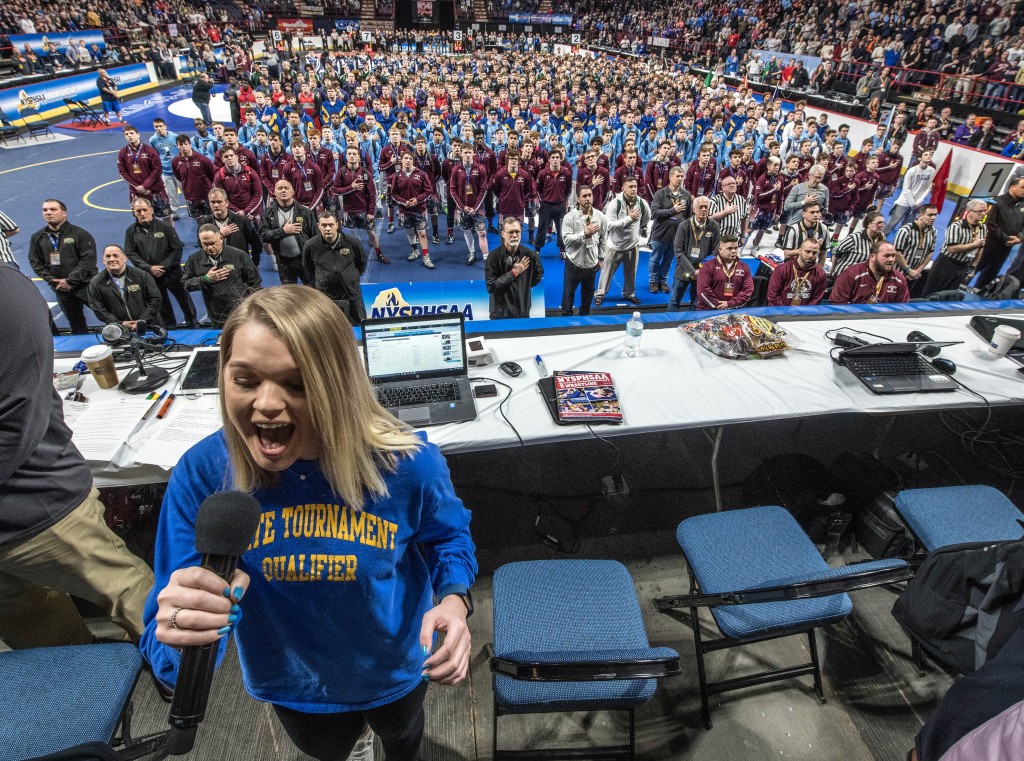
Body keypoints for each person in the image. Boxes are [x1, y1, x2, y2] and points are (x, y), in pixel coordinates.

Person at [139, 285, 475, 761]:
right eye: (246, 380)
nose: (267, 405)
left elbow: (447, 537)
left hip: (396, 668)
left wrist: (456, 600)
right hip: (296, 683)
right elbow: (171, 646)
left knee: (403, 741)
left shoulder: (408, 462)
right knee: (332, 752)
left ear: (338, 386)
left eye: (296, 384)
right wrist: (181, 634)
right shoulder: (203, 474)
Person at [0, 266, 154, 649]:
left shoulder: (6, 296)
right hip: (30, 507)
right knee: (38, 634)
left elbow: (14, 424)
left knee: (129, 595)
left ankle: (177, 674)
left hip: (41, 506)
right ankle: (87, 691)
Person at [27, 199, 98, 335]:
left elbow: (88, 260)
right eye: (45, 210)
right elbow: (35, 262)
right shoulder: (37, 237)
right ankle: (80, 349)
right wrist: (52, 280)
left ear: (64, 213)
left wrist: (70, 280)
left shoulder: (79, 234)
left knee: (105, 314)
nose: (48, 213)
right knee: (75, 323)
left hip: (85, 285)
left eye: (53, 209)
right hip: (61, 289)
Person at [124, 197, 195, 329]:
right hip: (150, 276)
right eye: (138, 211)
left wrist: (163, 266)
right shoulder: (131, 232)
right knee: (161, 303)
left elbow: (177, 248)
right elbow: (130, 253)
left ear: (151, 210)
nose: (142, 213)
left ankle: (193, 324)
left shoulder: (165, 227)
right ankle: (170, 327)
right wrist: (149, 268)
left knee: (184, 299)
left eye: (144, 210)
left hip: (172, 273)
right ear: (134, 212)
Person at [184, 224, 263, 327]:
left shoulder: (239, 255)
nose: (209, 247)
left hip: (241, 314)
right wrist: (205, 279)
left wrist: (255, 309)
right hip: (216, 317)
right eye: (205, 244)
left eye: (212, 243)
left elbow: (255, 284)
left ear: (221, 238)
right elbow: (185, 284)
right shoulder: (194, 260)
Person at [303, 210, 368, 325]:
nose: (327, 228)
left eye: (331, 225)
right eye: (324, 225)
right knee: (328, 328)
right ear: (319, 226)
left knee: (361, 325)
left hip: (352, 294)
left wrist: (351, 279)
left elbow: (361, 263)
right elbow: (308, 269)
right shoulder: (310, 246)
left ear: (337, 225)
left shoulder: (352, 243)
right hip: (326, 297)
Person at [594, 176, 651, 307]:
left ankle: (629, 294)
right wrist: (629, 219)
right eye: (630, 187)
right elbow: (609, 225)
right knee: (607, 272)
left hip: (632, 245)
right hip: (615, 245)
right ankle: (600, 294)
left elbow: (646, 218)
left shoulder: (642, 203)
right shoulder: (615, 203)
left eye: (635, 186)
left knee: (631, 273)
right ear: (623, 188)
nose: (633, 189)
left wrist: (638, 229)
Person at [88, 244, 163, 328]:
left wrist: (142, 320)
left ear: (124, 258)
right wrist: (120, 323)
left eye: (115, 256)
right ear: (103, 260)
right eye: (108, 256)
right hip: (119, 330)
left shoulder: (142, 276)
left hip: (150, 326)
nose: (112, 259)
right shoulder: (96, 283)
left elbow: (155, 299)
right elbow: (98, 308)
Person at [923, 201, 988, 296]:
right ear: (969, 212)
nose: (983, 214)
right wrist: (974, 245)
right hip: (946, 264)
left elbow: (980, 249)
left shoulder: (983, 228)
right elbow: (951, 249)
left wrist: (973, 267)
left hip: (964, 266)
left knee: (950, 294)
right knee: (933, 292)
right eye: (980, 211)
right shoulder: (956, 226)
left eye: (985, 211)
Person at [561, 186, 607, 316]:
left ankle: (585, 317)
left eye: (589, 195)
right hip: (574, 262)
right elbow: (566, 240)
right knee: (568, 293)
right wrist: (584, 234)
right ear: (578, 199)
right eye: (584, 196)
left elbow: (604, 239)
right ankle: (566, 316)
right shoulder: (569, 217)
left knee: (587, 296)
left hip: (591, 264)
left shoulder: (600, 216)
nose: (587, 199)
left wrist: (601, 257)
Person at [484, 217, 543, 319]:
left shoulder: (530, 255)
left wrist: (524, 285)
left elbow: (539, 274)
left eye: (517, 232)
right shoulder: (493, 257)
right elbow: (491, 287)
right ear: (503, 234)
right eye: (511, 232)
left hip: (522, 311)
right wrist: (514, 273)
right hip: (499, 314)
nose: (515, 235)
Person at [260, 180, 317, 285]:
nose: (283, 191)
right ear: (274, 192)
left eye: (286, 188)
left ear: (292, 192)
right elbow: (263, 236)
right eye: (280, 188)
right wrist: (283, 231)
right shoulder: (268, 213)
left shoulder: (305, 212)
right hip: (283, 261)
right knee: (289, 294)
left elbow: (315, 237)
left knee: (312, 289)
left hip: (304, 259)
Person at [668, 196, 717, 311]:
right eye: (701, 207)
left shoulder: (714, 226)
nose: (704, 209)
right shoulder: (684, 226)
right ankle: (668, 324)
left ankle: (691, 325)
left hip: (703, 272)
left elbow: (715, 251)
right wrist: (692, 271)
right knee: (674, 301)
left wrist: (702, 270)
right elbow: (678, 251)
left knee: (696, 303)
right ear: (694, 209)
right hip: (683, 270)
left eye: (706, 207)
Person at [974, 177, 1024, 290]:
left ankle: (979, 293)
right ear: (1012, 187)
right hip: (989, 245)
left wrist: (1020, 238)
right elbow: (990, 224)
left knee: (991, 274)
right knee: (974, 269)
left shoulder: (1022, 204)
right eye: (1022, 188)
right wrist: (1005, 238)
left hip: (1006, 248)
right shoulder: (997, 202)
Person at [649, 166, 692, 292]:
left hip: (676, 235)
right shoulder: (660, 193)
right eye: (677, 176)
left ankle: (662, 281)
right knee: (655, 259)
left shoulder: (686, 195)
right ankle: (653, 281)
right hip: (660, 233)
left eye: (681, 176)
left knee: (668, 260)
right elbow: (655, 213)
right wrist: (673, 210)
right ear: (670, 177)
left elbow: (688, 217)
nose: (680, 179)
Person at [117, 126, 172, 222]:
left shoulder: (150, 150)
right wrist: (138, 187)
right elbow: (122, 172)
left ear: (138, 134)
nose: (129, 136)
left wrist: (145, 186)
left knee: (166, 216)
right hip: (137, 192)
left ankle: (171, 235)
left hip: (155, 190)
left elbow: (157, 170)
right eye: (126, 134)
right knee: (142, 218)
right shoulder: (123, 153)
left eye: (131, 133)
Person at [830, 240, 910, 304]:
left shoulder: (899, 279)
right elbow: (837, 304)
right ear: (872, 257)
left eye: (893, 256)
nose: (891, 260)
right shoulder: (851, 274)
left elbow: (902, 308)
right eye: (887, 256)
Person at [884, 150, 937, 235]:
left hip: (917, 203)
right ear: (920, 158)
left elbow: (928, 187)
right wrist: (912, 202)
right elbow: (906, 188)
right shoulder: (912, 171)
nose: (929, 156)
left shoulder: (932, 171)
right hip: (904, 202)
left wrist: (919, 201)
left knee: (908, 227)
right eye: (926, 154)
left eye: (930, 154)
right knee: (891, 224)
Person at [694, 235, 753, 310]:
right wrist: (719, 305)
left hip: (733, 310)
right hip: (708, 311)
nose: (734, 251)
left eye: (735, 248)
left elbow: (747, 290)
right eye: (729, 248)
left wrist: (730, 304)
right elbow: (703, 291)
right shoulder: (708, 266)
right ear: (720, 250)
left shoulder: (744, 267)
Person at [892, 205, 939, 297]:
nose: (933, 218)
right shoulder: (905, 230)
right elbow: (897, 253)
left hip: (914, 275)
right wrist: (908, 270)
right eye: (930, 215)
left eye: (935, 215)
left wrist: (917, 271)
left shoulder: (933, 231)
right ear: (920, 216)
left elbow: (930, 252)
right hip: (897, 273)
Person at [533, 151, 572, 255]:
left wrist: (564, 201)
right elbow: (538, 190)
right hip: (546, 205)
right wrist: (542, 202)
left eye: (557, 157)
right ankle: (537, 249)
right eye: (553, 157)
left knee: (562, 229)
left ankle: (562, 250)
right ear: (549, 160)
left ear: (561, 159)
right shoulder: (542, 173)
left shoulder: (567, 173)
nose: (555, 160)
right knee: (541, 228)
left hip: (560, 205)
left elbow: (568, 190)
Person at [767, 238, 827, 306]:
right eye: (807, 251)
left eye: (814, 253)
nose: (811, 255)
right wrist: (788, 311)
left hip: (805, 314)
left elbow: (817, 299)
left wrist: (803, 312)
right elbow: (773, 297)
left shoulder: (820, 274)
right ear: (800, 251)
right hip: (781, 313)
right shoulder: (782, 269)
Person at [831, 211, 886, 280]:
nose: (881, 225)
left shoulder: (881, 238)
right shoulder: (854, 238)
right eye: (878, 223)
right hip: (846, 276)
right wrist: (833, 270)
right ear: (869, 224)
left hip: (863, 278)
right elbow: (836, 253)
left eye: (882, 223)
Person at [172, 135, 216, 218]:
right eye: (181, 144)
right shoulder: (175, 162)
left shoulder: (203, 159)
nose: (184, 146)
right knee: (198, 220)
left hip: (206, 195)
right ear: (177, 146)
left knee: (211, 218)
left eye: (185, 144)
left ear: (190, 144)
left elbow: (212, 175)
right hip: (190, 196)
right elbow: (179, 177)